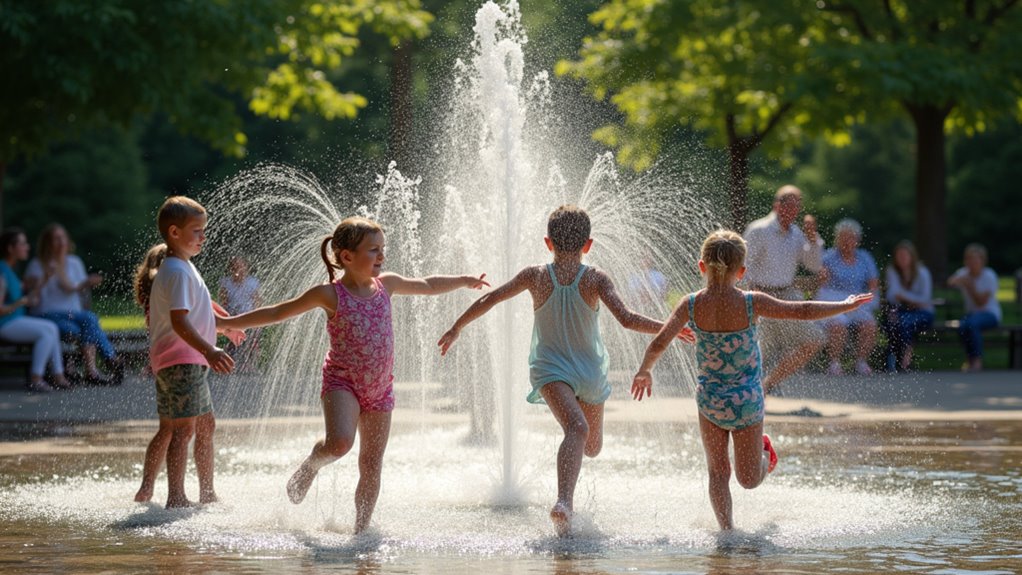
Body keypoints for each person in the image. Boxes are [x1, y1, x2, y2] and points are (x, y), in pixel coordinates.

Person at [217, 216, 488, 533]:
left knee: (372, 463)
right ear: (347, 257)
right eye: (374, 250)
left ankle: (361, 531)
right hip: (342, 383)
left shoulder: (387, 284)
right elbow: (278, 311)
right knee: (340, 443)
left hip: (380, 389)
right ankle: (311, 465)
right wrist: (229, 323)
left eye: (382, 249)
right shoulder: (330, 295)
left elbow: (427, 284)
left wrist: (463, 280)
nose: (382, 256)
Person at [437, 205, 693, 537]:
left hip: (582, 372)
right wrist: (669, 327)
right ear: (588, 244)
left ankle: (565, 490)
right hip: (552, 369)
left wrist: (458, 326)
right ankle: (563, 503)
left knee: (591, 444)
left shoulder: (536, 275)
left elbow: (492, 299)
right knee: (577, 427)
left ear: (548, 242)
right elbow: (628, 319)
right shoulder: (595, 277)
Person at [630, 230, 874, 531]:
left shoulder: (695, 304)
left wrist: (645, 369)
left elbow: (659, 342)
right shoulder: (743, 302)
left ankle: (763, 452)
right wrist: (844, 305)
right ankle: (727, 531)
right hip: (722, 399)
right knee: (726, 474)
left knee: (732, 476)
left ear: (701, 267)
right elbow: (804, 311)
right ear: (742, 271)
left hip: (730, 400)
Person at [148, 196, 243, 508]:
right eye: (197, 231)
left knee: (203, 426)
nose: (203, 236)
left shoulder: (184, 267)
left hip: (188, 359)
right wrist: (210, 349)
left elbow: (200, 310)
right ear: (175, 233)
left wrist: (226, 326)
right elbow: (180, 321)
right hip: (182, 359)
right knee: (183, 429)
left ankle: (206, 492)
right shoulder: (176, 271)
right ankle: (176, 496)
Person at [742, 185, 826, 393]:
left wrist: (813, 240)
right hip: (760, 296)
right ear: (777, 206)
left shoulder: (797, 233)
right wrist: (747, 296)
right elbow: (743, 265)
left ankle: (768, 384)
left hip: (787, 296)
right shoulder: (759, 230)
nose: (794, 210)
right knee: (756, 352)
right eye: (790, 205)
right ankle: (745, 394)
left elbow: (814, 266)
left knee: (814, 339)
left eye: (797, 206)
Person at [23, 224, 124, 384]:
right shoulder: (38, 264)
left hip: (73, 314)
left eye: (63, 237)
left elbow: (76, 289)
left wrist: (86, 284)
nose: (61, 241)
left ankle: (91, 371)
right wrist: (47, 276)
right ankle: (107, 361)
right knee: (87, 322)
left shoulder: (74, 262)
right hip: (47, 313)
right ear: (48, 243)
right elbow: (66, 287)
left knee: (83, 324)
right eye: (56, 238)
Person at [0, 228, 72, 392]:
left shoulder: (10, 270)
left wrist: (44, 279)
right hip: (5, 323)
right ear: (11, 249)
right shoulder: (2, 272)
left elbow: (31, 299)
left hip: (15, 320)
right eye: (23, 243)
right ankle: (36, 378)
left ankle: (58, 376)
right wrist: (20, 302)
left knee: (50, 327)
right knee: (46, 331)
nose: (27, 247)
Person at [132, 242, 170, 502]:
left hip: (165, 358)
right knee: (171, 428)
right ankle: (156, 488)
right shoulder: (161, 283)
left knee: (170, 427)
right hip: (172, 359)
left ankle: (147, 486)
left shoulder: (159, 286)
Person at [817, 218, 880, 376]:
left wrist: (870, 299)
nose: (847, 241)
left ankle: (860, 362)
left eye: (851, 237)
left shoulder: (865, 257)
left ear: (857, 240)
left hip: (857, 301)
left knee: (869, 324)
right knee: (838, 324)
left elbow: (873, 284)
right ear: (837, 239)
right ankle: (834, 363)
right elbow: (821, 283)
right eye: (843, 237)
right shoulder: (828, 257)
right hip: (833, 300)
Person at [947, 243, 1001, 372]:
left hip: (990, 314)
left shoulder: (989, 276)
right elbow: (950, 282)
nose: (973, 262)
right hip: (971, 314)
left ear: (982, 261)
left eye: (976, 259)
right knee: (962, 326)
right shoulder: (964, 273)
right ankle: (969, 359)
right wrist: (958, 281)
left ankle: (977, 361)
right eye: (970, 259)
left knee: (972, 324)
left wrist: (969, 285)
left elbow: (981, 302)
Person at [882, 240, 934, 372]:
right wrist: (910, 300)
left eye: (905, 255)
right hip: (901, 310)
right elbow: (892, 296)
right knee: (891, 323)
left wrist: (904, 296)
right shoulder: (892, 271)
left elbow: (925, 299)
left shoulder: (923, 273)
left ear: (912, 256)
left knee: (906, 323)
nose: (902, 259)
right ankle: (893, 358)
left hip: (923, 312)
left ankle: (905, 359)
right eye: (899, 256)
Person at [218, 255, 262, 371]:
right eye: (235, 267)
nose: (238, 270)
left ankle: (249, 364)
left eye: (241, 266)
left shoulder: (252, 282)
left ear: (246, 268)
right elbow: (224, 302)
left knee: (251, 340)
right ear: (231, 269)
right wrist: (224, 316)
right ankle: (231, 363)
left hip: (249, 316)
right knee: (234, 342)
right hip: (233, 316)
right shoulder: (226, 282)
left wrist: (258, 319)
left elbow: (257, 302)